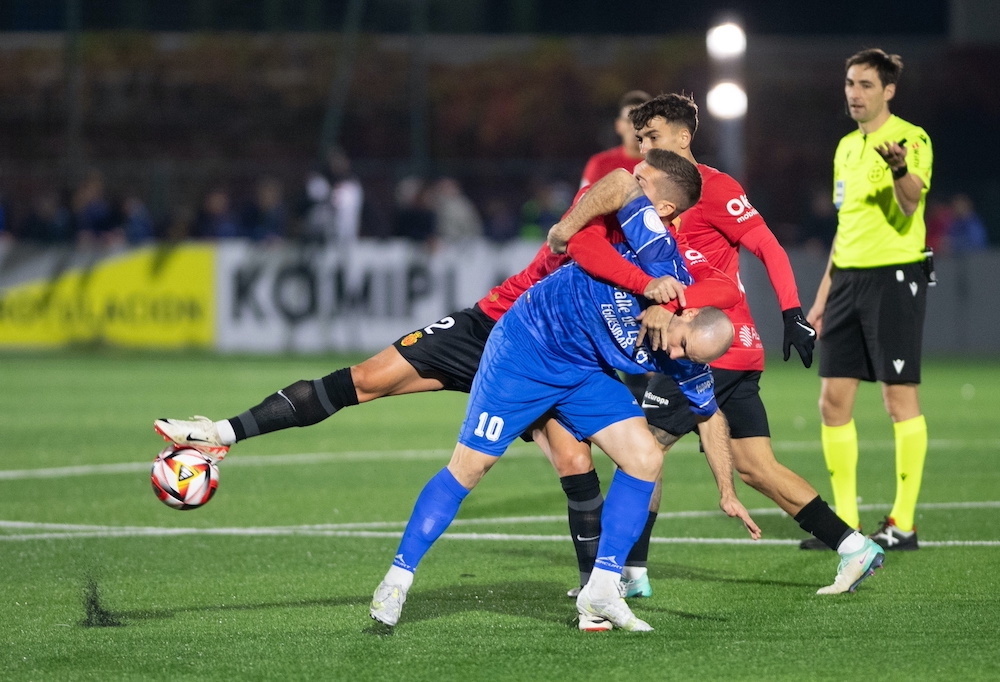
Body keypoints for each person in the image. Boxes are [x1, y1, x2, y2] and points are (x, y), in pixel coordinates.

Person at [155, 150, 742, 630]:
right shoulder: (618, 211)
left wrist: (725, 484)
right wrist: (623, 265)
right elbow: (581, 240)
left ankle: (598, 591)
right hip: (499, 326)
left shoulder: (655, 245)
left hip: (562, 358)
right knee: (365, 380)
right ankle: (222, 432)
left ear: (663, 205)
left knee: (575, 458)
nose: (629, 175)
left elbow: (702, 388)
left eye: (643, 177)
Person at [368, 150, 760, 631]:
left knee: (645, 457)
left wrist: (727, 490)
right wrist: (566, 234)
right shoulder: (658, 253)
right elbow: (618, 179)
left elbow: (709, 413)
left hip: (581, 371)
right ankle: (397, 579)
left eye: (686, 358)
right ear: (684, 312)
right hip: (526, 348)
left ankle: (601, 590)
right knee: (471, 466)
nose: (674, 358)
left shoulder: (685, 353)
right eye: (679, 345)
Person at [551, 92, 885, 595]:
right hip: (720, 348)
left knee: (639, 449)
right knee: (756, 466)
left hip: (710, 346)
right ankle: (854, 547)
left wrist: (792, 310)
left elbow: (765, 247)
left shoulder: (714, 187)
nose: (643, 147)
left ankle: (619, 574)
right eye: (640, 138)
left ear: (684, 138)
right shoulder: (644, 194)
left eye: (654, 137)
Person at [807, 49, 934, 551]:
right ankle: (846, 524)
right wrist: (821, 297)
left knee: (897, 399)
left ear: (888, 91)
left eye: (864, 84)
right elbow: (845, 229)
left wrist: (901, 169)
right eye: (849, 83)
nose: (854, 93)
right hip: (848, 282)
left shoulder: (911, 138)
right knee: (832, 402)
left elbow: (911, 201)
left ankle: (903, 523)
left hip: (895, 276)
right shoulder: (844, 148)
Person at [579, 89, 651, 189]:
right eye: (629, 121)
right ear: (618, 126)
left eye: (641, 121)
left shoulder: (665, 166)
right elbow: (582, 202)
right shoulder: (600, 164)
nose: (635, 127)